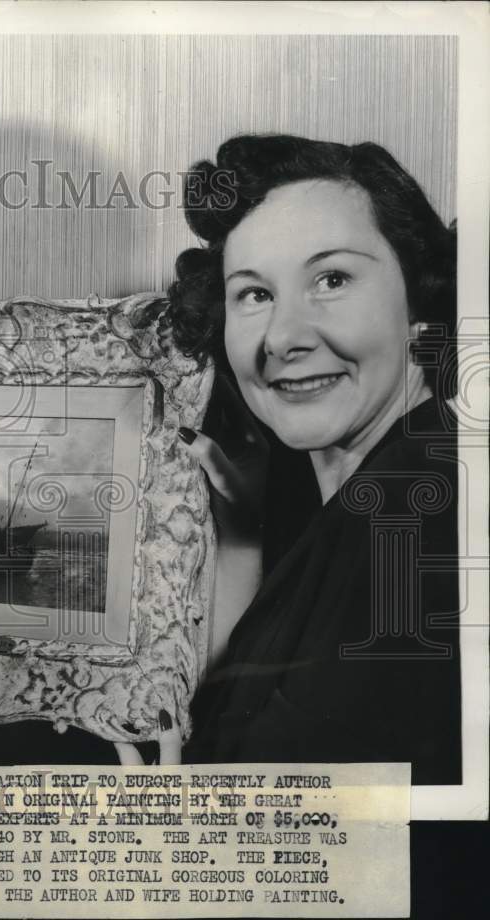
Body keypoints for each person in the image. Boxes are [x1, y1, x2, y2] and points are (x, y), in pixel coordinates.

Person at [150, 134, 460, 783]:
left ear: (417, 301)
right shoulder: (372, 491)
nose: (284, 337)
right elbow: (234, 720)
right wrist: (242, 531)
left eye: (332, 279)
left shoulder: (415, 517)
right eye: (254, 294)